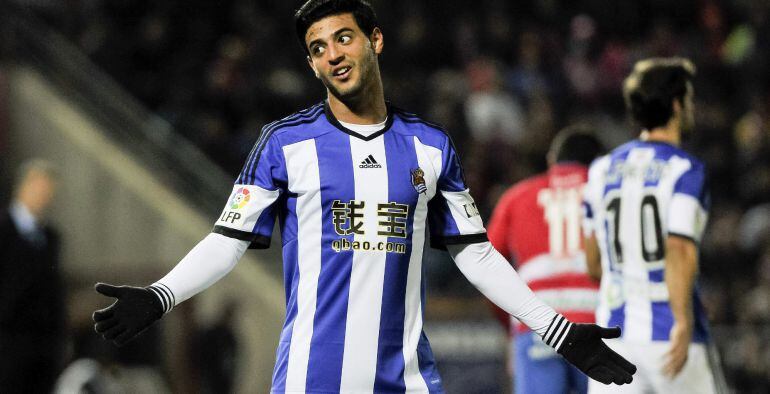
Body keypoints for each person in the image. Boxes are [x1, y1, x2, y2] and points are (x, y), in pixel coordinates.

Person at [92, 1, 636, 392]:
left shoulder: (430, 145)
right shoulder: (285, 144)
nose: (332, 54)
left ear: (374, 40)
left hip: (408, 378)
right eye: (317, 48)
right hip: (313, 377)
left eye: (343, 38)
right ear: (311, 64)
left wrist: (557, 331)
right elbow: (228, 240)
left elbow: (476, 252)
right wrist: (160, 295)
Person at [583, 58, 722, 393]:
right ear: (677, 104)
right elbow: (678, 247)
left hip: (612, 337)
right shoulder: (684, 169)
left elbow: (592, 262)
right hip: (668, 331)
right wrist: (683, 321)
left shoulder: (601, 169)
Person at [487, 127, 604, 394]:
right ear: (600, 164)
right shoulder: (608, 194)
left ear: (552, 160)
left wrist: (511, 327)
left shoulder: (516, 197)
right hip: (598, 325)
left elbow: (485, 269)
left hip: (538, 327)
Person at [0, 159, 65, 393]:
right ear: (24, 186)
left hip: (43, 346)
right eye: (40, 187)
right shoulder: (4, 230)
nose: (45, 195)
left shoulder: (51, 237)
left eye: (49, 190)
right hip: (8, 341)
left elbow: (55, 289)